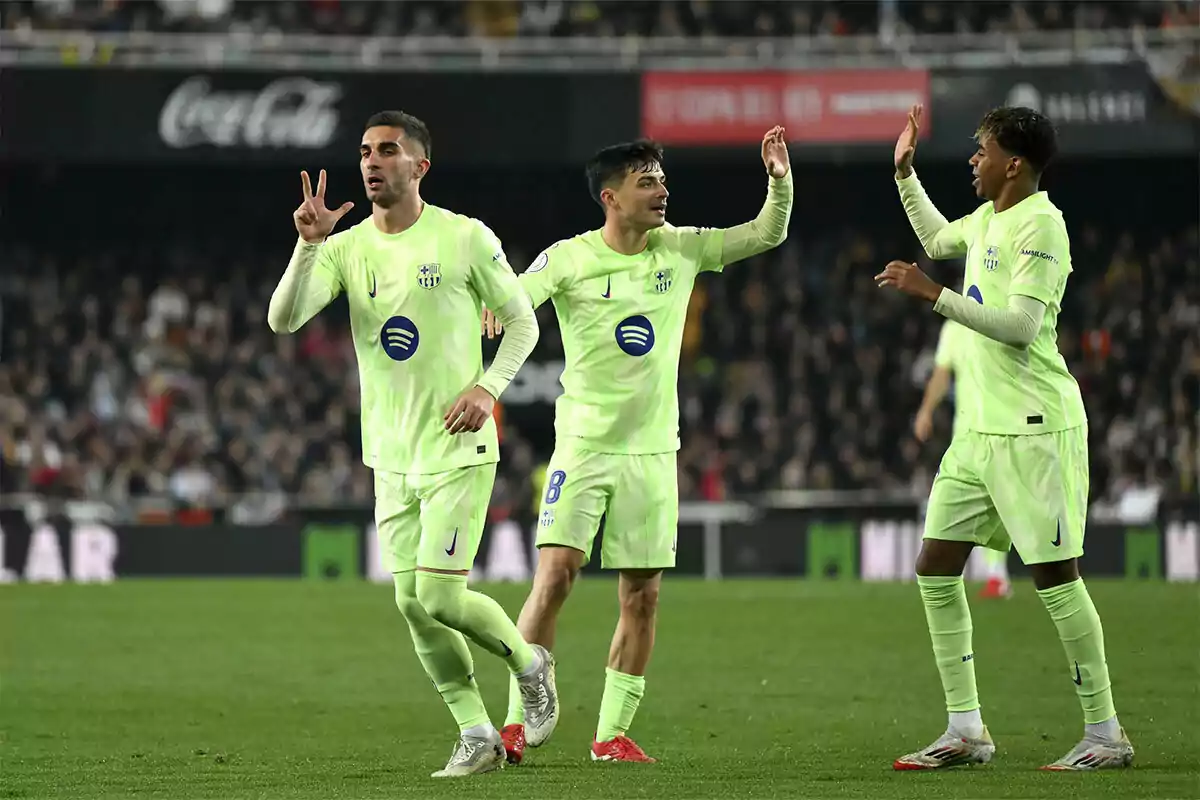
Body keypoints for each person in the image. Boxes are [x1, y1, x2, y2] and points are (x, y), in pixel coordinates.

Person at [483, 129, 793, 764]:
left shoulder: (679, 250)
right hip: (583, 446)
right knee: (556, 577)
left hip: (653, 452)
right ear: (611, 196)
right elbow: (520, 295)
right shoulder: (567, 258)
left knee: (643, 594)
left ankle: (611, 735)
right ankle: (517, 720)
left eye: (662, 179)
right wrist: (498, 306)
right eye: (647, 181)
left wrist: (779, 182)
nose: (662, 191)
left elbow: (764, 234)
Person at [267, 110, 558, 778]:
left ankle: (529, 663)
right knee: (410, 603)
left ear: (419, 166)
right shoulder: (347, 248)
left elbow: (520, 324)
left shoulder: (463, 238)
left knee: (441, 597)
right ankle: (477, 733)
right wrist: (308, 244)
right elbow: (283, 320)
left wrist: (488, 389)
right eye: (365, 151)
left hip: (457, 448)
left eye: (388, 150)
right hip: (389, 458)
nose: (372, 161)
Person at [877, 104, 1133, 771]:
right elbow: (937, 241)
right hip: (980, 434)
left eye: (981, 149)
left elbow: (1020, 326)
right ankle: (966, 729)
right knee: (935, 567)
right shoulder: (990, 218)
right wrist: (904, 175)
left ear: (1013, 163)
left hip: (1034, 428)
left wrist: (934, 297)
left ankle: (1105, 733)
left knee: (1054, 577)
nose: (972, 159)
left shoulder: (1042, 225)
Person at [915, 318, 1013, 599]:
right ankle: (990, 576)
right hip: (966, 436)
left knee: (997, 503)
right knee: (981, 503)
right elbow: (942, 374)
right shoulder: (954, 328)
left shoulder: (998, 320)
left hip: (1001, 428)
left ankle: (999, 576)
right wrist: (925, 410)